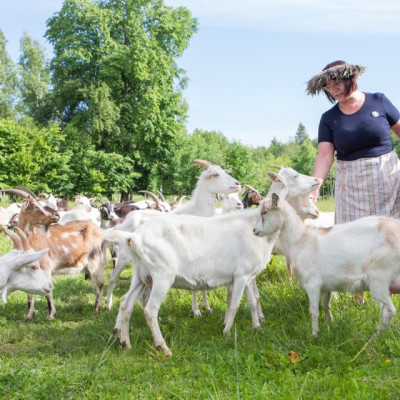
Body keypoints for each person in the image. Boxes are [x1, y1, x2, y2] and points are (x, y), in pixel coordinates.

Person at [307, 60, 400, 224]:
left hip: (387, 180)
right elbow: (324, 155)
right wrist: (314, 188)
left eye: (337, 83)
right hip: (350, 187)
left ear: (352, 79)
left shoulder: (379, 101)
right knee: (352, 239)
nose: (334, 89)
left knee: (390, 236)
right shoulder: (329, 118)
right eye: (328, 87)